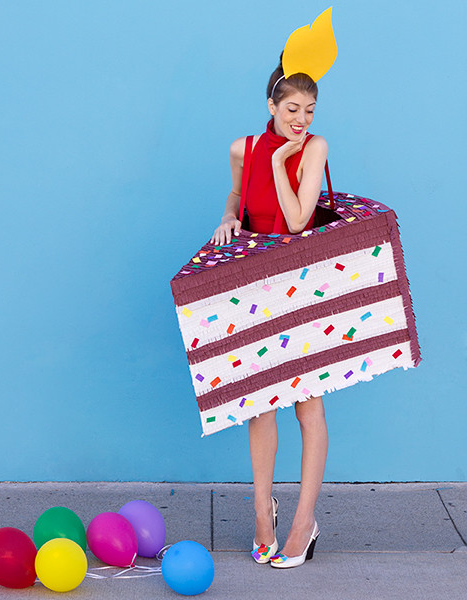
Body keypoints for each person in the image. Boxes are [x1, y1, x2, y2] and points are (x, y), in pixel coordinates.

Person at [210, 59, 329, 569]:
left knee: (308, 406)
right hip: (258, 288)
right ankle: (263, 513)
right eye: (292, 109)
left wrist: (283, 161)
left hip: (303, 283)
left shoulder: (314, 148)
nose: (301, 119)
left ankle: (303, 522)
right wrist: (227, 219)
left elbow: (299, 221)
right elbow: (238, 198)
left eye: (309, 110)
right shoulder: (243, 148)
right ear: (271, 106)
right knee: (260, 405)